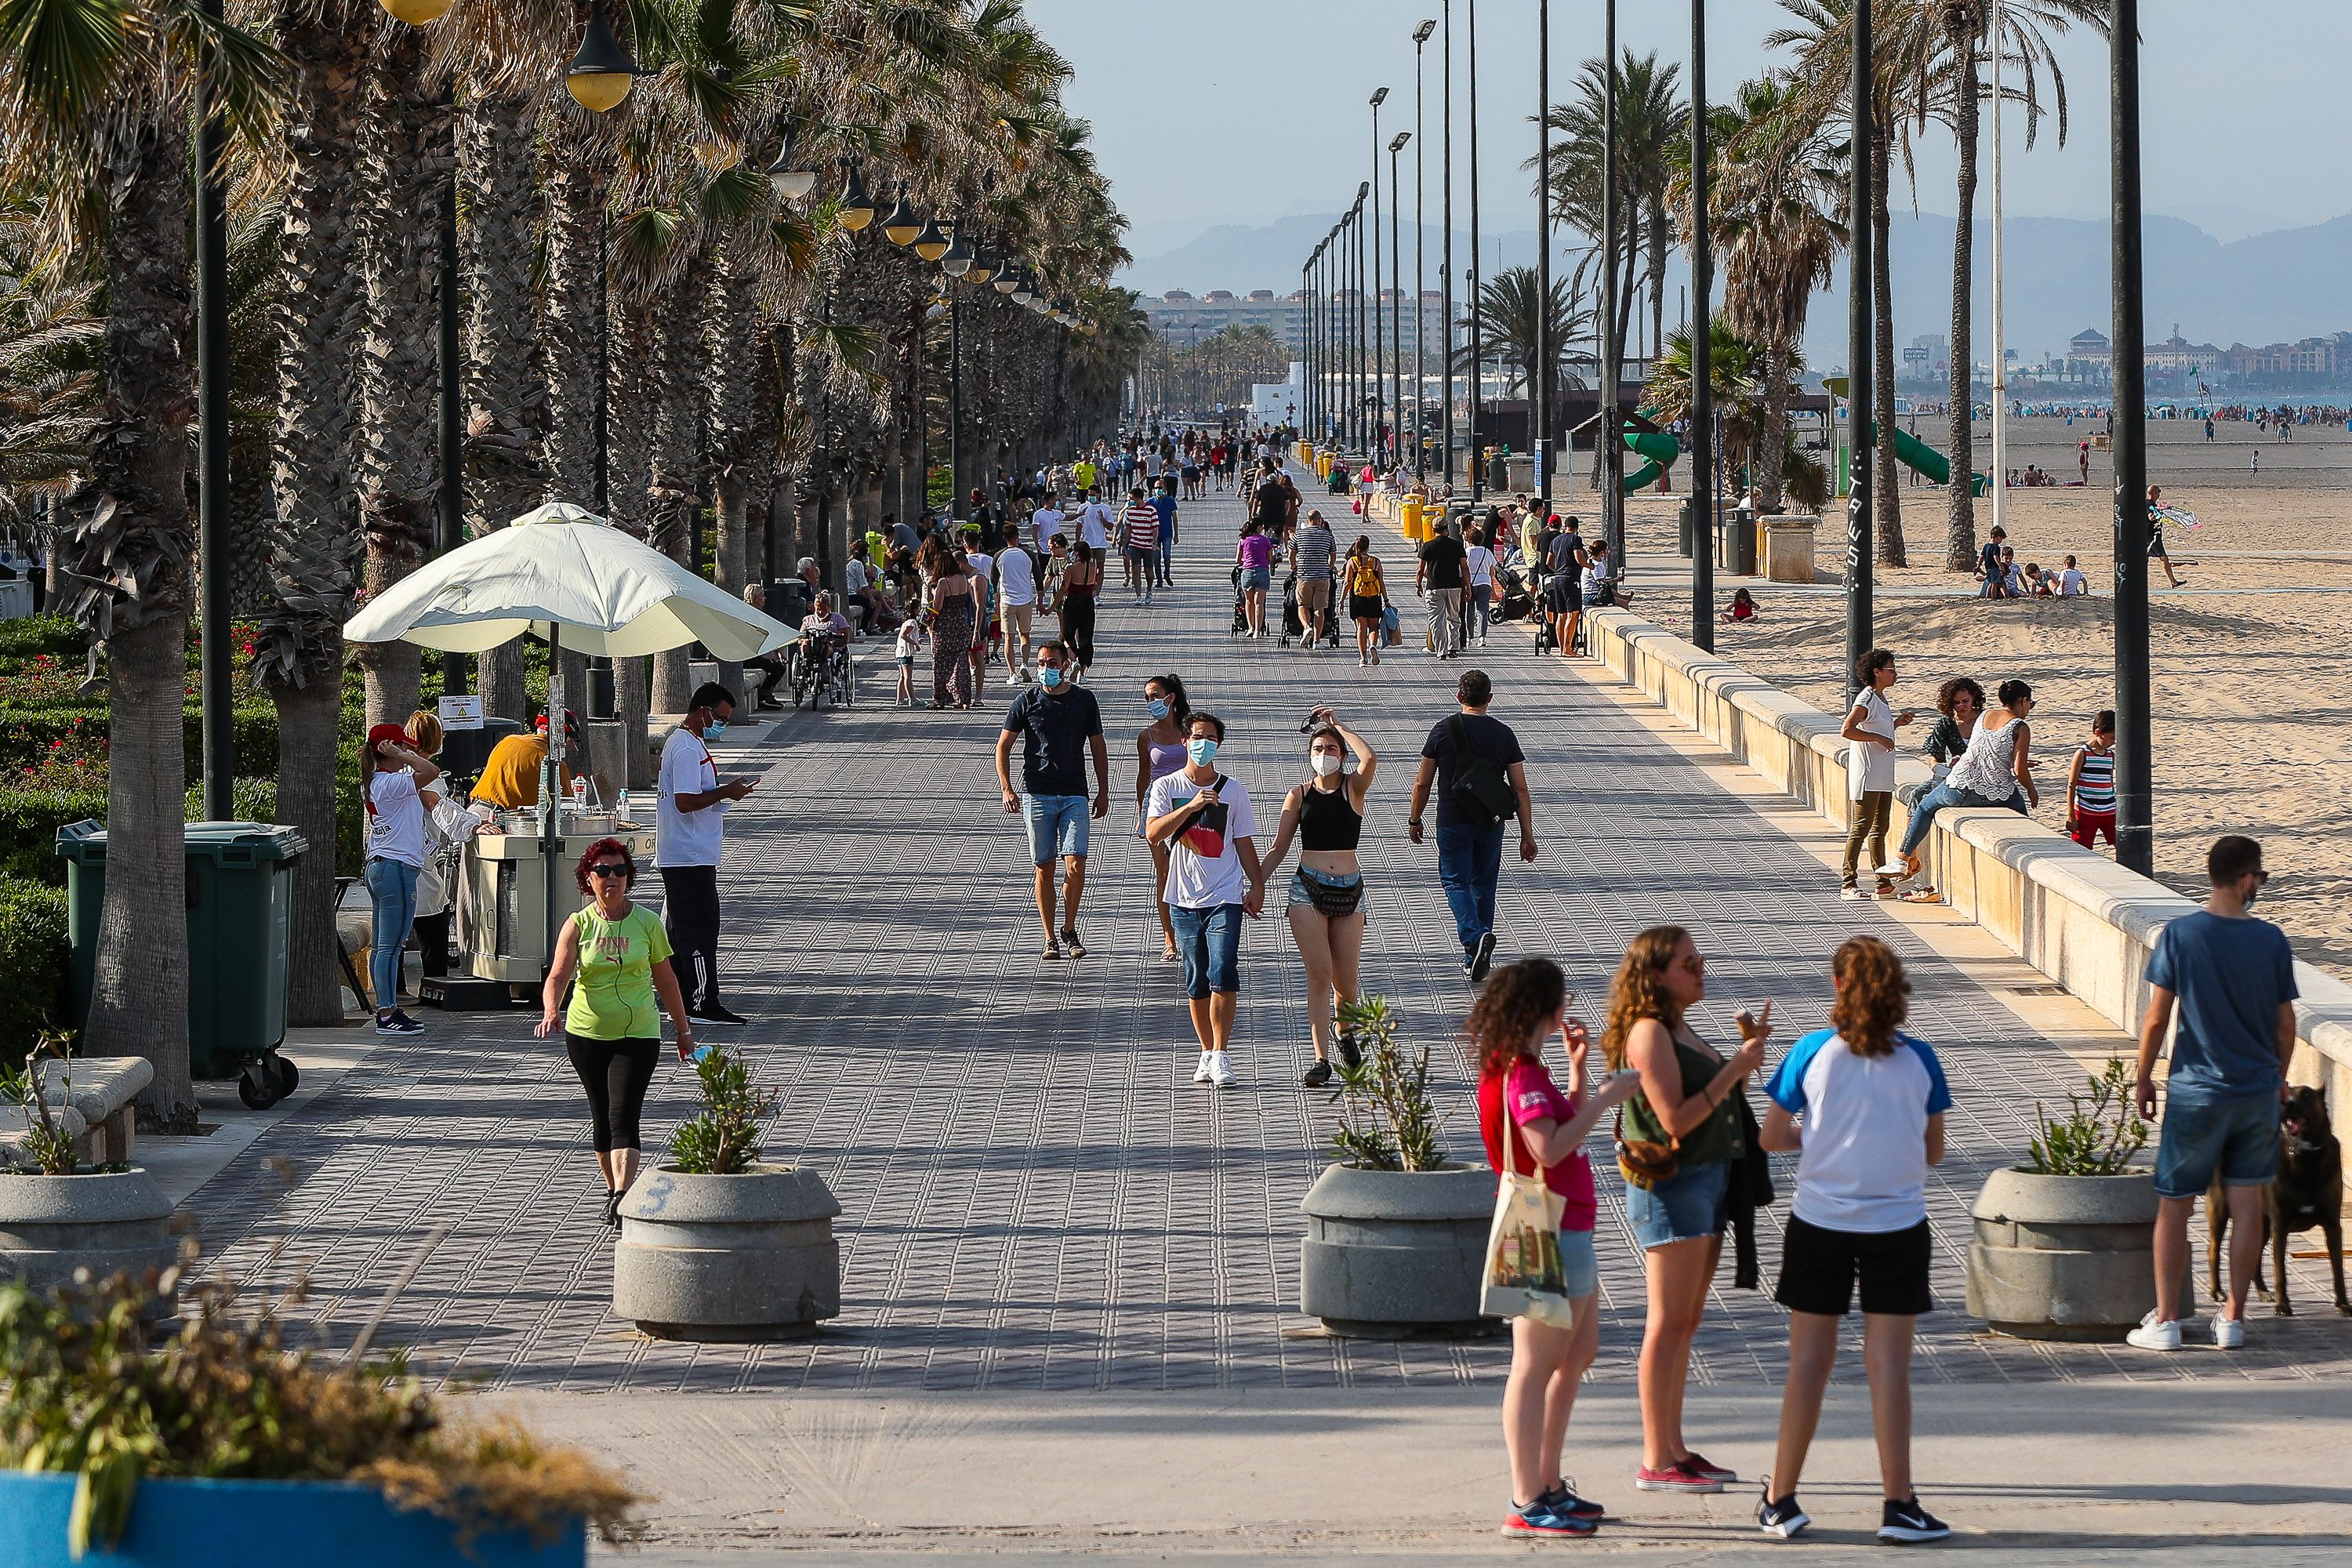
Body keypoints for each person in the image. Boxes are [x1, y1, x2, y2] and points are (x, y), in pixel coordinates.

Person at [1755, 936, 1953, 1544]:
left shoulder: (1812, 1051)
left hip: (1820, 1221)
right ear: (1897, 991)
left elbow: (1771, 1137)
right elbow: (1933, 1150)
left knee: (1808, 1363)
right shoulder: (1920, 1058)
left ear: (1838, 987)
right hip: (1898, 1223)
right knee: (1889, 1364)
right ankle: (1899, 1505)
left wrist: (1817, 1143)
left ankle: (1780, 1499)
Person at [1474, 958, 1643, 1537]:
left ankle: (1547, 1481)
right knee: (1535, 1364)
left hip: (1565, 1228)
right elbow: (1546, 1149)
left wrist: (1575, 1076)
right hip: (1542, 1231)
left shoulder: (1524, 1069)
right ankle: (1527, 1497)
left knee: (1578, 1353)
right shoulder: (1518, 1074)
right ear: (1546, 1010)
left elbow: (1553, 1129)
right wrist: (1603, 1097)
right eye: (1562, 1003)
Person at [1603, 925, 1770, 1494]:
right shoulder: (1649, 1033)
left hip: (1710, 1181)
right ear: (1654, 976)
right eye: (1688, 964)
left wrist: (1738, 1065)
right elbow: (1674, 1120)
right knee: (1666, 1322)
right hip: (1674, 1187)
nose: (1701, 970)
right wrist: (1736, 1069)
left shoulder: (1679, 1024)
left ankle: (1675, 1446)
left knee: (1685, 1321)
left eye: (1700, 960)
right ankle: (1655, 1457)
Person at [2128, 835, 2298, 1354]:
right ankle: (2233, 1320)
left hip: (2196, 1091)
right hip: (2254, 1092)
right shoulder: (2270, 941)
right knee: (2247, 1206)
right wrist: (2277, 1075)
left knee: (2175, 1206)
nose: (2259, 886)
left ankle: (2168, 1320)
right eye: (2260, 878)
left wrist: (2143, 1075)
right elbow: (2285, 1023)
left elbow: (2157, 1017)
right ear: (2246, 879)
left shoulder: (2181, 936)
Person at [535, 838, 695, 1230]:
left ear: (629, 878)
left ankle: (624, 1194)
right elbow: (558, 974)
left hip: (639, 1032)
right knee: (602, 1116)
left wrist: (683, 1029)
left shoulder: (647, 923)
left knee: (625, 1113)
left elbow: (667, 979)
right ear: (588, 879)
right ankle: (612, 1189)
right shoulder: (578, 924)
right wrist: (551, 1010)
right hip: (586, 1033)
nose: (612, 879)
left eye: (620, 871)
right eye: (603, 871)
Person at [1143, 711, 1266, 1090]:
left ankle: (1222, 1053)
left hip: (1225, 894)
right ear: (1184, 741)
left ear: (1219, 744)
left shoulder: (1235, 791)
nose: (1203, 743)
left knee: (1224, 971)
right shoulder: (1167, 786)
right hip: (1181, 896)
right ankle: (1206, 1051)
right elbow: (1152, 832)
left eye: (1210, 738)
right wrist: (1191, 807)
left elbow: (1244, 842)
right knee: (1196, 977)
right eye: (1197, 736)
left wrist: (1257, 884)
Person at [1256, 708, 1377, 1087]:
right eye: (1317, 748)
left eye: (1331, 748)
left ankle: (1345, 1033)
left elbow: (1370, 758)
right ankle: (1321, 1058)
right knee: (1321, 974)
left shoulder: (1352, 789)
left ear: (1342, 755)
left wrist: (1339, 725)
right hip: (1307, 888)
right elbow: (1278, 847)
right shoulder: (1298, 794)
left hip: (1350, 890)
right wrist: (1256, 884)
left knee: (1347, 982)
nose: (1323, 754)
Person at [1408, 668, 1537, 981]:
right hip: (1490, 821)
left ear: (1459, 697)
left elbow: (1422, 783)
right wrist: (1526, 834)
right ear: (1490, 699)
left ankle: (1474, 938)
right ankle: (1475, 955)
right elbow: (1520, 787)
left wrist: (1415, 818)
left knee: (1455, 881)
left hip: (1452, 820)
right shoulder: (1504, 734)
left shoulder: (1442, 731)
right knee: (1484, 885)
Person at [996, 640, 1111, 962]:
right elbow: (1003, 746)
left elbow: (1098, 746)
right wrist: (1007, 788)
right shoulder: (1026, 701)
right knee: (1044, 868)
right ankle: (1049, 937)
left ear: (1065, 664)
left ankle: (1070, 928)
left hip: (1075, 792)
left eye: (1053, 662)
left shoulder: (1084, 700)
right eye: (1042, 662)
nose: (1047, 668)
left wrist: (1103, 790)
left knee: (1076, 864)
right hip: (1038, 793)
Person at [657, 684, 756, 1025]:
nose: (721, 725)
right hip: (688, 854)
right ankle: (702, 1002)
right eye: (720, 718)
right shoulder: (685, 747)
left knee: (680, 929)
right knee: (698, 930)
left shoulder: (688, 743)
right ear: (702, 711)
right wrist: (725, 791)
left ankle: (681, 997)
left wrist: (723, 794)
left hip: (690, 852)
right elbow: (684, 802)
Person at [1885, 678, 2035, 889]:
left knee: (1926, 806)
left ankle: (1903, 857)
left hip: (1957, 785)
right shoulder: (2020, 726)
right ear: (2024, 701)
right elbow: (2019, 771)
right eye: (2031, 704)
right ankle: (2029, 859)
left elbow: (1985, 750)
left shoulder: (1985, 716)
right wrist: (2031, 790)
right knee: (2021, 812)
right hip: (1994, 790)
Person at [362, 722, 441, 1035]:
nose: (409, 750)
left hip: (384, 868)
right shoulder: (390, 784)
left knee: (384, 946)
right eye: (402, 746)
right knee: (390, 947)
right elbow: (430, 770)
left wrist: (400, 754)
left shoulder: (381, 783)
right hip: (395, 870)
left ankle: (386, 1009)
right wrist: (402, 755)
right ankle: (387, 1013)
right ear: (387, 750)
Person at [1839, 648, 1915, 901]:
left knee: (1880, 828)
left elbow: (1877, 726)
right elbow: (1847, 730)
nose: (1895, 674)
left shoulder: (1880, 700)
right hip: (1868, 774)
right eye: (1891, 669)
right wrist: (1878, 737)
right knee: (1860, 828)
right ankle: (1848, 883)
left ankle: (1882, 883)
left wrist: (1896, 724)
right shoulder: (1866, 698)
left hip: (1882, 774)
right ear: (1877, 672)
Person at [1134, 673, 1193, 964]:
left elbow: (1205, 769)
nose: (1151, 702)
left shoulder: (1191, 732)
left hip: (1189, 805)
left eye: (1155, 696)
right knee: (1165, 873)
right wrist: (1141, 814)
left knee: (1192, 869)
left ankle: (1192, 933)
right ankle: (1170, 939)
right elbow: (1143, 777)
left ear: (1171, 698)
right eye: (1147, 698)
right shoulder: (1146, 736)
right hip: (1157, 808)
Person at [470, 710, 579, 814]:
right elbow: (566, 807)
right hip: (496, 820)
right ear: (564, 738)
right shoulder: (554, 763)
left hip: (474, 811)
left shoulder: (509, 740)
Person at [924, 539, 979, 709]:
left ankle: (940, 698)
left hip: (945, 625)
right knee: (961, 661)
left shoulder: (943, 582)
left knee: (941, 662)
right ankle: (963, 698)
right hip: (961, 622)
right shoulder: (963, 578)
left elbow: (937, 607)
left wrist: (931, 593)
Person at [1417, 514, 1468, 659]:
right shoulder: (1457, 545)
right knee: (1454, 617)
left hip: (1434, 587)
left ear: (1434, 530)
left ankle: (1441, 651)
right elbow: (1464, 567)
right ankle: (1453, 648)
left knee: (1436, 620)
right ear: (1447, 529)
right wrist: (1468, 587)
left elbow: (1420, 569)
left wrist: (1418, 584)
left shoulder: (1427, 546)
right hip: (1454, 587)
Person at [2067, 709, 2118, 851]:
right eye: (2111, 737)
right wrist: (2071, 814)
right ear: (2098, 732)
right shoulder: (2083, 753)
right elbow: (2072, 784)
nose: (2113, 742)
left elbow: (2109, 781)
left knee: (2123, 845)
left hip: (2109, 809)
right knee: (2082, 848)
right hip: (2085, 811)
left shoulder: (2110, 755)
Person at [996, 521, 1039, 683]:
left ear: (1004, 538)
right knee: (1025, 634)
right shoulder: (1028, 554)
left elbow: (993, 581)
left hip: (1007, 600)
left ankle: (1012, 673)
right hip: (1026, 598)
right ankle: (1025, 664)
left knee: (1009, 637)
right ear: (1017, 537)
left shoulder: (999, 556)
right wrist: (1040, 598)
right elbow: (1038, 577)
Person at [1291, 507, 1337, 649]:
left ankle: (1306, 627)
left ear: (1308, 521)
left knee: (1303, 605)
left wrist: (1294, 567)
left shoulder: (1299, 535)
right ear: (1319, 520)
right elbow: (1333, 555)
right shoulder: (1328, 536)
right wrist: (1328, 567)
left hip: (1304, 575)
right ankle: (1316, 641)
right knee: (1319, 609)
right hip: (1322, 576)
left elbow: (1291, 555)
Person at [1544, 517, 1589, 657]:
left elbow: (1548, 562)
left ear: (1565, 526)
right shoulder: (1575, 539)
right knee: (1573, 614)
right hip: (1571, 579)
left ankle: (1561, 648)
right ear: (1577, 527)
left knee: (1561, 615)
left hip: (1557, 579)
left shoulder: (1556, 540)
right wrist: (1589, 565)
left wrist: (1558, 570)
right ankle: (1568, 648)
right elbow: (1578, 558)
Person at [1058, 539, 1102, 670]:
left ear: (1077, 553)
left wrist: (1052, 606)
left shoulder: (1071, 568)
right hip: (1088, 603)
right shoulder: (1094, 566)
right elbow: (1095, 584)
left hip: (1072, 603)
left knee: (1067, 634)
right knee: (1086, 637)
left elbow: (1064, 588)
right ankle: (1082, 669)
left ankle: (1074, 658)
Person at [1345, 535, 1386, 666]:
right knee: (1374, 627)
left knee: (1361, 628)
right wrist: (1386, 599)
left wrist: (1341, 600)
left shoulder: (1352, 562)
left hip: (1358, 598)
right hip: (1374, 597)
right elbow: (1381, 582)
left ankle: (1363, 658)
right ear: (1368, 546)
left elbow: (1347, 583)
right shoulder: (1375, 562)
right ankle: (1372, 645)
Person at [1234, 521, 1275, 637]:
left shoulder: (1243, 540)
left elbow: (1238, 560)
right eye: (1262, 526)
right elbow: (1270, 558)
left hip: (1247, 573)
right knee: (1259, 603)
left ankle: (1251, 627)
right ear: (1258, 528)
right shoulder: (1265, 540)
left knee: (1248, 601)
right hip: (1262, 572)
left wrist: (1247, 562)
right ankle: (1258, 630)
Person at [1122, 487, 1160, 602]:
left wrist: (1153, 542)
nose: (1131, 501)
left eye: (1133, 499)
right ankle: (1138, 596)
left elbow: (1155, 528)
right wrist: (1124, 544)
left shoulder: (1151, 510)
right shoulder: (1130, 511)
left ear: (1139, 499)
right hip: (1135, 544)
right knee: (1136, 568)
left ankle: (1149, 590)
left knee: (1149, 571)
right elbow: (1128, 529)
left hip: (1147, 545)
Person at [1465, 524, 1497, 649]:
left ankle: (1469, 637)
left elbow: (1463, 569)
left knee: (1470, 611)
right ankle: (1482, 637)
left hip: (1470, 583)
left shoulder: (1466, 552)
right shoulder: (1487, 552)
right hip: (1485, 582)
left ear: (1469, 539)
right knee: (1483, 611)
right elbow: (1492, 571)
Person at [2147, 484, 2184, 587]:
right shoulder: (2149, 505)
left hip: (2150, 536)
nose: (2159, 494)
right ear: (2154, 493)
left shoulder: (2151, 504)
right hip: (2152, 537)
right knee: (2164, 559)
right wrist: (2161, 510)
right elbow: (2151, 517)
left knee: (2159, 559)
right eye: (2159, 492)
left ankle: (2174, 582)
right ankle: (2173, 582)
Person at [892, 615, 926, 708]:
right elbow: (904, 635)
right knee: (908, 677)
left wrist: (917, 641)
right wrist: (915, 643)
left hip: (900, 652)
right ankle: (912, 699)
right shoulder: (912, 622)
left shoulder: (907, 622)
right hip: (906, 653)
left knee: (902, 677)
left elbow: (908, 636)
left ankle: (900, 699)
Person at [1151, 477, 1178, 588]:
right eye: (1156, 487)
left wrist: (1176, 534)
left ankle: (1167, 574)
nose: (1158, 489)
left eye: (1160, 487)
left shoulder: (1170, 501)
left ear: (1165, 488)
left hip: (1167, 533)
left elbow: (1175, 518)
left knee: (1167, 556)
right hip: (1155, 535)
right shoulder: (1150, 502)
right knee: (1156, 558)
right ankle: (1159, 579)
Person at [1977, 524, 2009, 599]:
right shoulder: (1995, 547)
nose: (2001, 542)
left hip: (1987, 567)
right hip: (1994, 567)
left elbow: (1982, 556)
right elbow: (1995, 557)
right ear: (1998, 538)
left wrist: (1978, 566)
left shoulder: (1986, 546)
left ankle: (1988, 597)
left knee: (1991, 583)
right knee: (1995, 584)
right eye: (2001, 540)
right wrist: (2000, 565)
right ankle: (1993, 597)